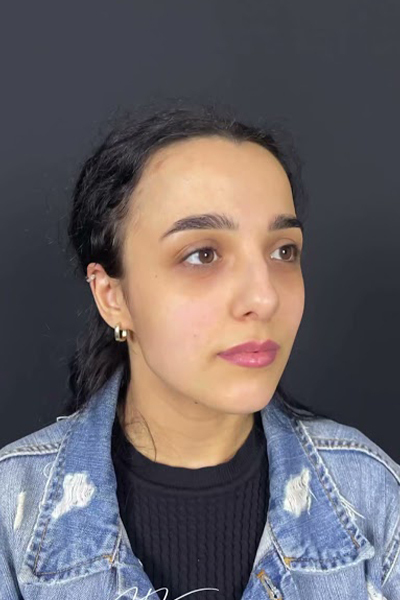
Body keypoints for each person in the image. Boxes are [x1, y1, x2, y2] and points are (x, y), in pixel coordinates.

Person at [0, 103, 399, 600]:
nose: (264, 298)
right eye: (202, 255)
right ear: (113, 297)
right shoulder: (12, 515)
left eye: (283, 251)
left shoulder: (369, 494)